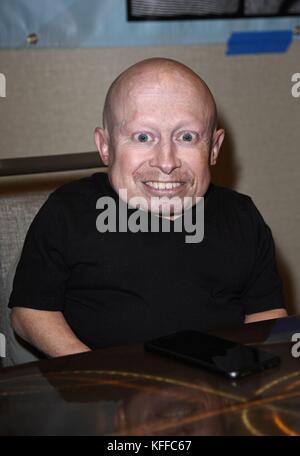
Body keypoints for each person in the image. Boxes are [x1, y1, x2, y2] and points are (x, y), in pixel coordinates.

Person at [9, 58, 287, 358]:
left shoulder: (241, 217)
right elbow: (29, 313)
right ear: (105, 146)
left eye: (187, 137)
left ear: (215, 148)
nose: (166, 162)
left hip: (216, 391)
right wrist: (94, 373)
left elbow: (266, 313)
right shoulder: (69, 211)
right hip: (98, 391)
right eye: (143, 137)